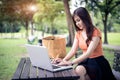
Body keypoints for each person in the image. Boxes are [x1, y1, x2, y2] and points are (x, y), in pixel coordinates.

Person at [52, 7, 116, 80]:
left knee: (79, 73)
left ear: (85, 18)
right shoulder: (78, 33)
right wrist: (63, 60)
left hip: (97, 62)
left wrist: (71, 62)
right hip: (86, 61)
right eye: (75, 21)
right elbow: (73, 50)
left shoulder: (95, 31)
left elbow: (88, 53)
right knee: (78, 71)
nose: (77, 23)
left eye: (78, 20)